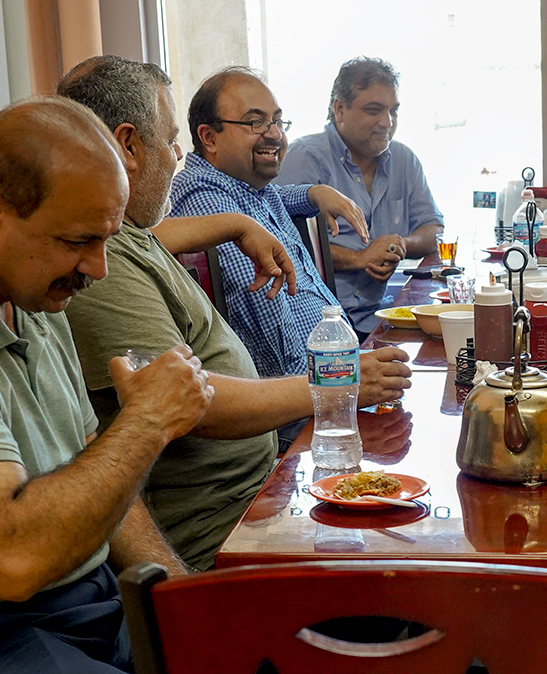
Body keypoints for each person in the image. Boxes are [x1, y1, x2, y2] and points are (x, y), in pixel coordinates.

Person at [57, 56, 413, 572]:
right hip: (225, 530)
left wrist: (235, 222)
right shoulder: (101, 268)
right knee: (402, 560)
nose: (178, 154)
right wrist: (338, 381)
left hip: (264, 490)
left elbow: (150, 240)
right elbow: (192, 406)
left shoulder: (127, 236)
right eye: (171, 138)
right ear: (129, 146)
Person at [0, 96, 215, 672]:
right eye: (77, 242)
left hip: (90, 601)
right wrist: (146, 423)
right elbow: (10, 557)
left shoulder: (34, 293)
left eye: (106, 240)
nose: (99, 268)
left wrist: (176, 595)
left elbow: (94, 466)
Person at [169, 66, 374, 376]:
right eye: (256, 122)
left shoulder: (247, 186)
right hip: (308, 392)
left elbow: (278, 194)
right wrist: (340, 380)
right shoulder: (204, 197)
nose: (276, 134)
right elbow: (266, 316)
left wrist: (312, 193)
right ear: (209, 137)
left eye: (278, 121)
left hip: (333, 369)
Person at [277, 57, 444, 334]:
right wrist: (360, 258)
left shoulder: (403, 159)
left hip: (383, 316)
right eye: (374, 110)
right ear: (340, 110)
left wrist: (398, 244)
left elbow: (433, 230)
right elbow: (283, 245)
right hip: (321, 326)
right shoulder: (304, 157)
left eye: (394, 111)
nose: (387, 122)